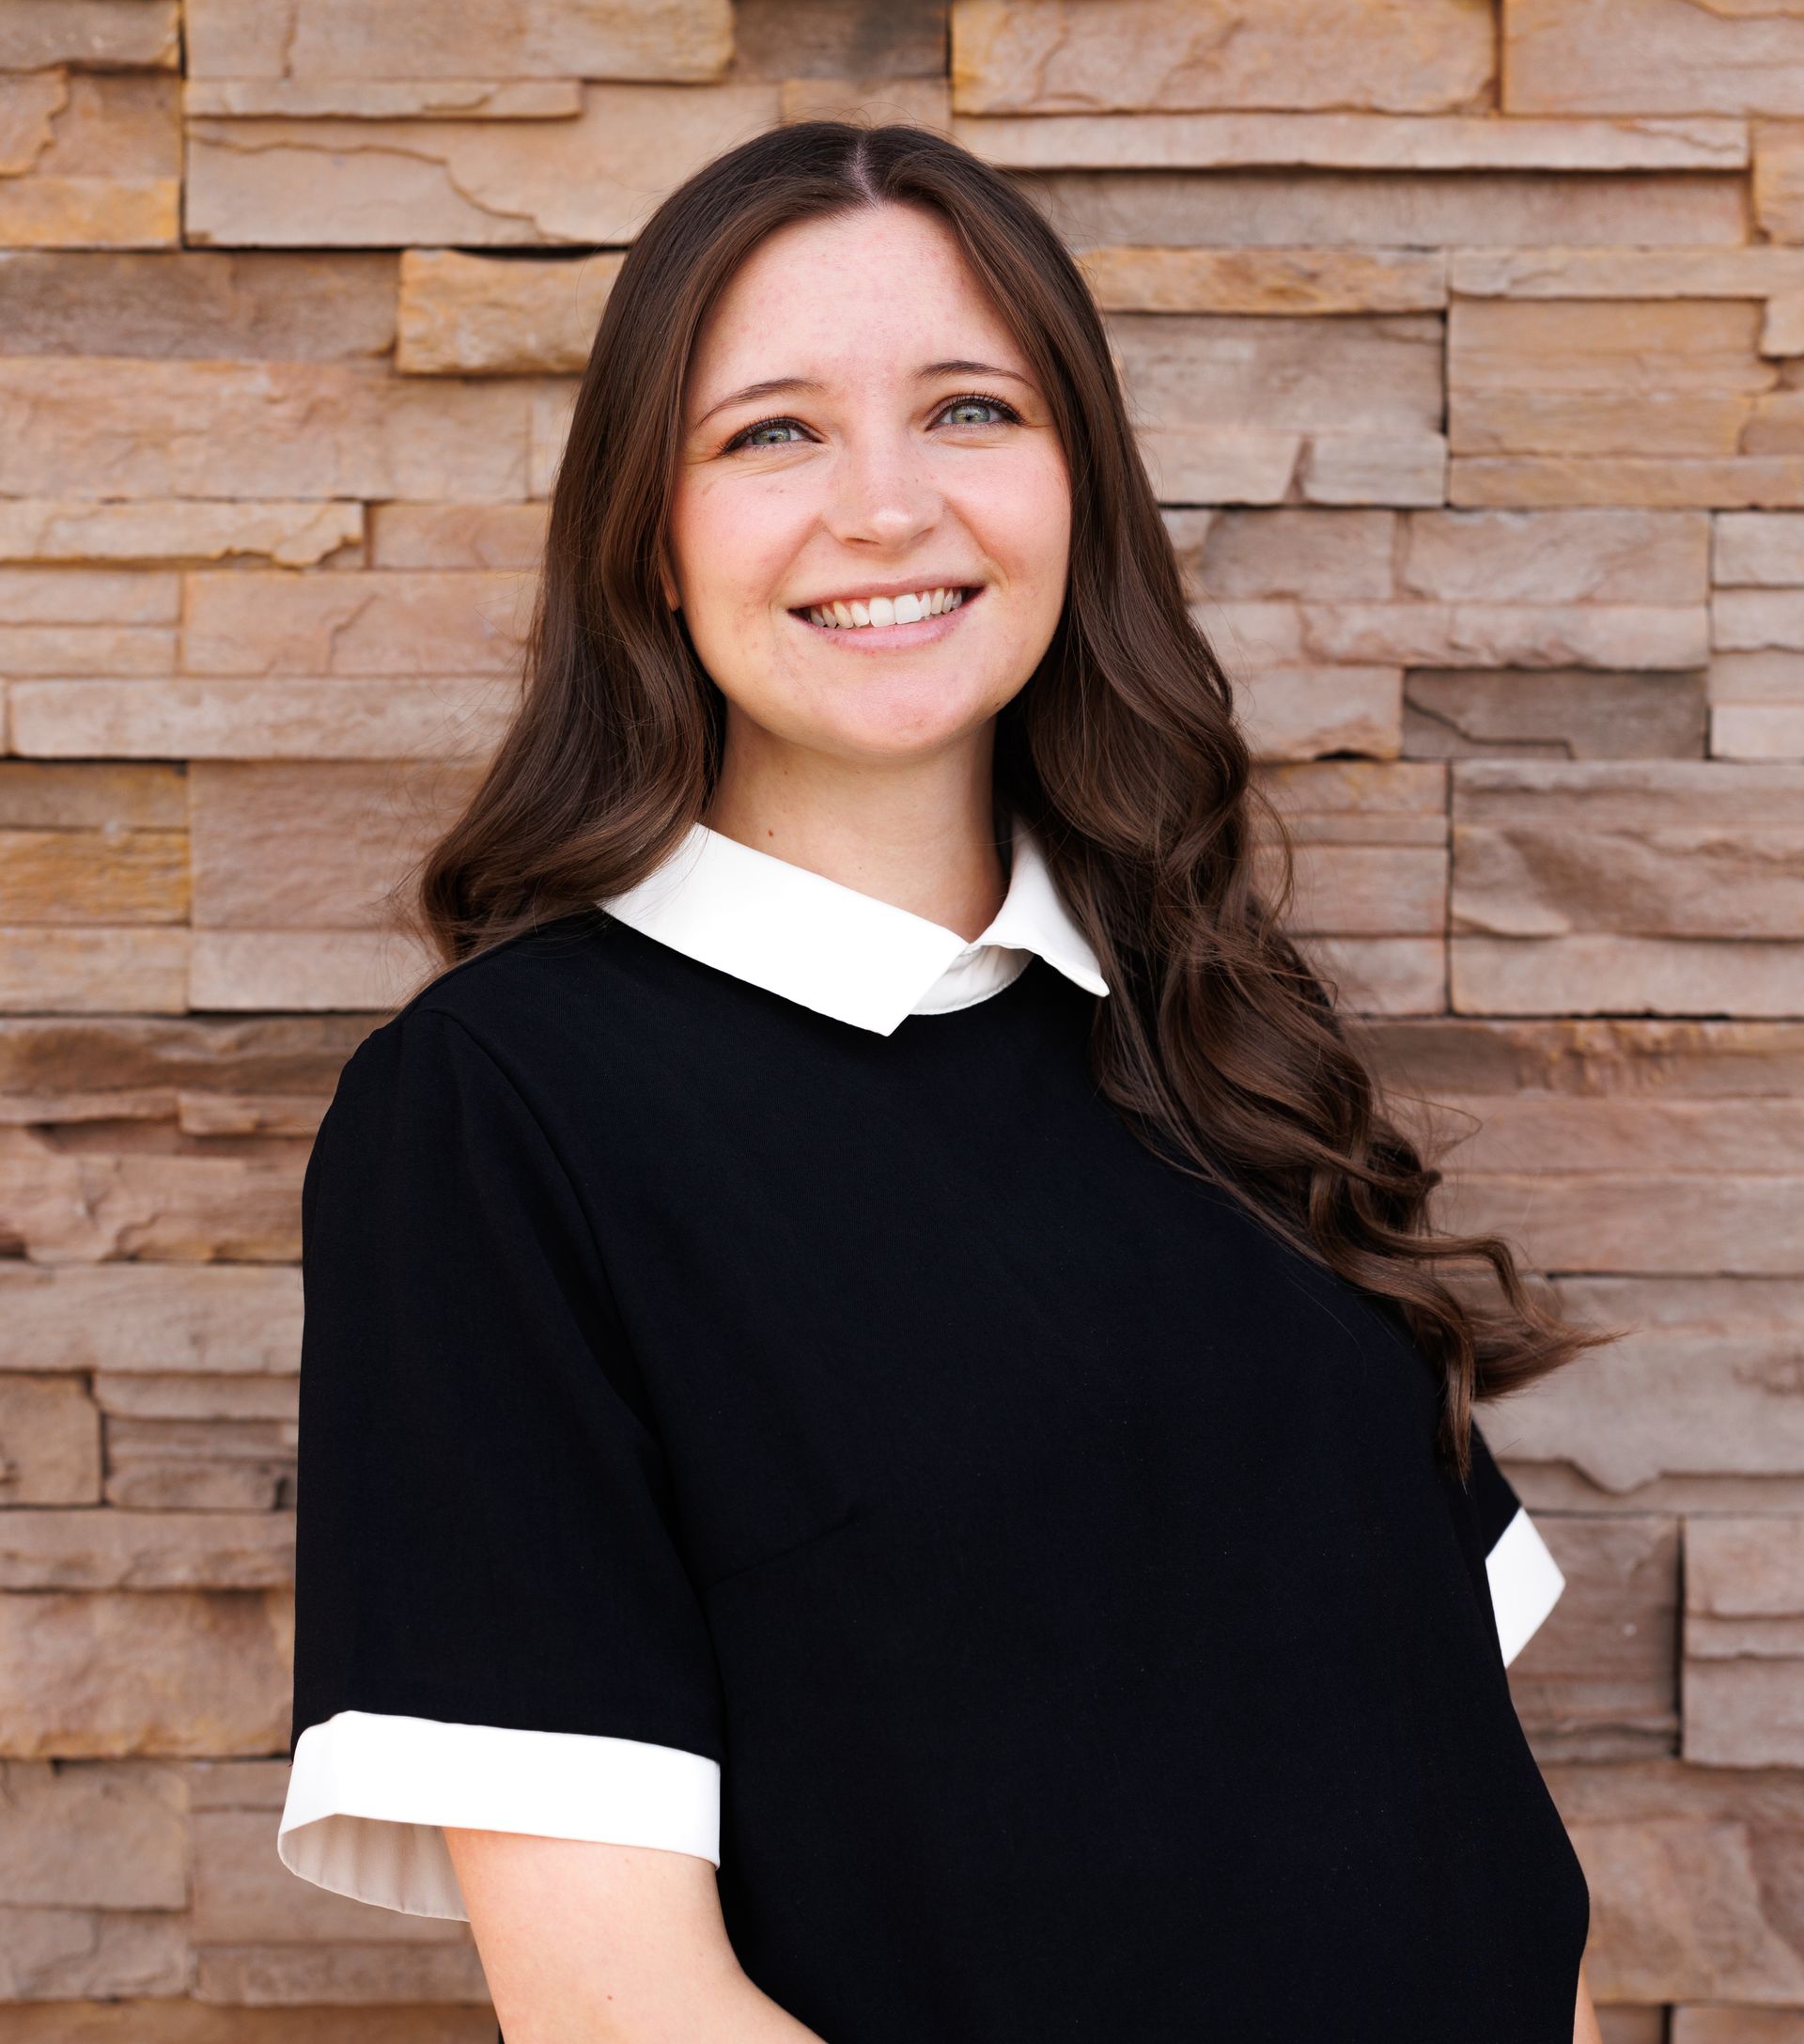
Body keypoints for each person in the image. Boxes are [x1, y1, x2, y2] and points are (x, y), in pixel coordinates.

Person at [276, 121, 1608, 2044]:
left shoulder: (1221, 1027)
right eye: (773, 432)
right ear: (645, 532)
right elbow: (621, 1998)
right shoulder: (499, 1117)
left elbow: (1476, 1824)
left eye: (970, 408)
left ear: (1080, 484)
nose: (886, 506)